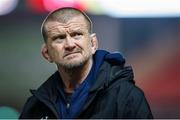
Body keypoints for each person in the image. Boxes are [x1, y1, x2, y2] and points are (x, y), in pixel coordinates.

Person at [19, 7, 153, 119]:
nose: (70, 44)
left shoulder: (126, 97)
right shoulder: (35, 107)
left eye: (77, 34)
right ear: (47, 53)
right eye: (59, 38)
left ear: (93, 43)